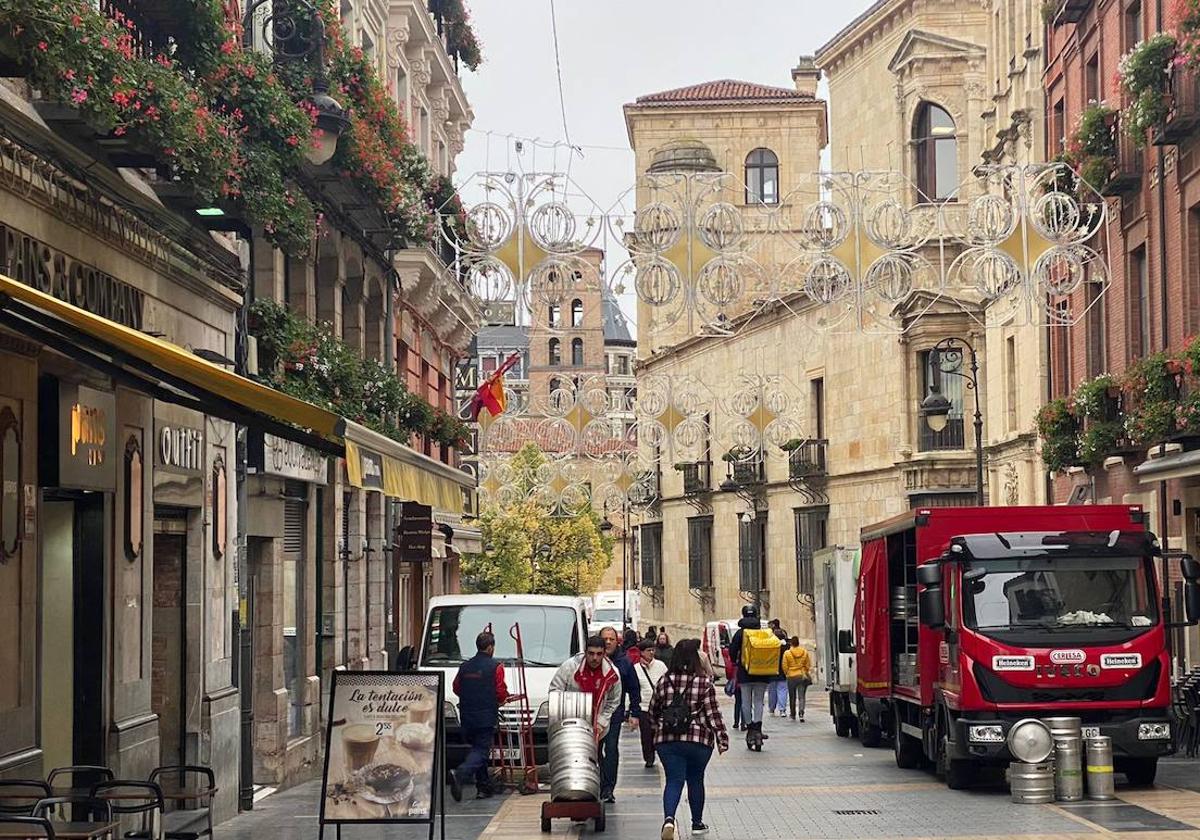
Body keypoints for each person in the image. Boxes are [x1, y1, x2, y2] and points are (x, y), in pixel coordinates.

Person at [647, 638, 729, 839]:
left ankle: (669, 819)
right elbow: (713, 714)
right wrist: (722, 738)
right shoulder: (704, 683)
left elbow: (652, 711)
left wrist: (656, 729)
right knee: (695, 779)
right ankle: (697, 823)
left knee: (673, 780)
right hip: (698, 741)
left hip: (668, 741)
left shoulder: (664, 681)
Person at [449, 632, 509, 802]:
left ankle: (483, 787)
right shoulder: (495, 667)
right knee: (482, 751)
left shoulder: (465, 667)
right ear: (490, 647)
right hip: (485, 716)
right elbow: (500, 691)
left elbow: (456, 688)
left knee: (476, 749)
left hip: (467, 716)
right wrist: (502, 699)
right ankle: (460, 774)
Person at [598, 625, 641, 803]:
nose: (608, 642)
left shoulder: (624, 662)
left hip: (614, 715)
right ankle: (599, 782)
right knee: (594, 751)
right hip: (592, 715)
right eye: (605, 639)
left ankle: (608, 788)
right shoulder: (591, 660)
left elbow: (634, 688)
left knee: (611, 749)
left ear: (617, 642)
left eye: (612, 639)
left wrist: (635, 713)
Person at [548, 635, 623, 738]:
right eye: (591, 653)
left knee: (596, 753)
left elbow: (614, 701)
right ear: (585, 652)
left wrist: (601, 721)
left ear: (604, 653)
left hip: (597, 728)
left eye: (599, 654)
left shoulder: (612, 674)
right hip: (569, 728)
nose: (595, 658)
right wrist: (567, 712)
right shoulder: (569, 667)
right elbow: (554, 692)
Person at [728, 605, 771, 743]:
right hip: (762, 673)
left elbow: (732, 651)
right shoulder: (763, 632)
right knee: (759, 701)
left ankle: (750, 726)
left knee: (745, 701)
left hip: (745, 672)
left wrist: (735, 661)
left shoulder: (740, 633)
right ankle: (758, 728)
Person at [634, 640, 668, 767]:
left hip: (660, 707)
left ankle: (661, 754)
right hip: (644, 707)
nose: (651, 652)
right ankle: (649, 757)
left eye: (653, 650)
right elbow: (633, 689)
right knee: (646, 735)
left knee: (660, 733)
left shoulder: (661, 666)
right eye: (648, 650)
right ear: (642, 652)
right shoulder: (636, 669)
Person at [783, 636, 813, 722]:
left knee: (792, 696)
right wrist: (804, 671)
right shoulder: (804, 652)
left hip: (791, 676)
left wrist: (787, 673)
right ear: (798, 642)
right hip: (802, 675)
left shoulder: (787, 653)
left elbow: (784, 666)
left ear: (791, 643)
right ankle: (801, 713)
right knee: (801, 696)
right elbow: (808, 665)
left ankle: (793, 714)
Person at [766, 628, 789, 718]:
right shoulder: (786, 647)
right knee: (782, 690)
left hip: (771, 672)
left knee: (772, 692)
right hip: (783, 672)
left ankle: (772, 709)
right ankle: (782, 710)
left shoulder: (769, 646)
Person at [721, 644, 743, 730]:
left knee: (737, 703)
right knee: (745, 704)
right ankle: (744, 723)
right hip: (744, 684)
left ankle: (736, 722)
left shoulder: (733, 664)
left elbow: (729, 674)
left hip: (736, 686)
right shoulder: (745, 664)